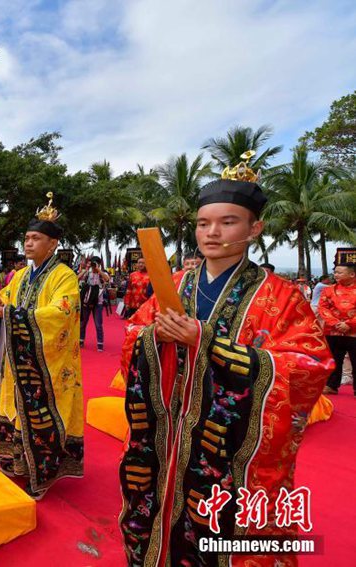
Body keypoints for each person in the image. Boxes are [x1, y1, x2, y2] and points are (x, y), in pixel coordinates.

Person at [118, 156, 333, 565]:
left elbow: (310, 367)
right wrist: (153, 337)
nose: (212, 232)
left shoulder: (281, 296)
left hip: (232, 453)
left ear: (255, 229)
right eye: (203, 223)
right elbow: (132, 337)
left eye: (228, 222)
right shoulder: (174, 284)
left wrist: (208, 344)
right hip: (169, 440)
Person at [0, 193, 83, 500]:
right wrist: (0, 307)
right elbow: (5, 297)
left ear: (53, 243)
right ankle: (17, 463)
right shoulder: (19, 276)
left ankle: (42, 474)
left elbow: (62, 312)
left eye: (35, 238)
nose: (28, 243)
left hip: (49, 364)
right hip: (20, 360)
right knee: (16, 408)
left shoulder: (64, 276)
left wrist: (14, 314)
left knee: (42, 414)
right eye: (26, 238)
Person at [318, 262, 356, 395]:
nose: (336, 275)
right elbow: (322, 308)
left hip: (354, 332)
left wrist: (349, 324)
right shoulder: (328, 290)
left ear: (352, 274)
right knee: (334, 359)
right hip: (333, 331)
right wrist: (335, 323)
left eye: (340, 272)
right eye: (335, 272)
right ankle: (331, 385)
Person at [77, 256, 109, 351]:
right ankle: (81, 340)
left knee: (98, 324)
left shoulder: (102, 273)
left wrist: (98, 269)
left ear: (99, 264)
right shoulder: (87, 273)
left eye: (94, 263)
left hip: (98, 302)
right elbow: (76, 278)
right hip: (86, 301)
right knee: (83, 323)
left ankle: (100, 344)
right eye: (91, 263)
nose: (93, 265)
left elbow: (107, 279)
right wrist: (86, 269)